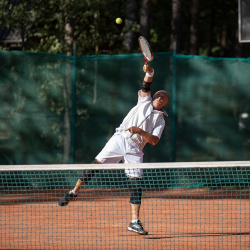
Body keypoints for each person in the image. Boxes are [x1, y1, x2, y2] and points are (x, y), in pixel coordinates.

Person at [58, 64, 169, 235]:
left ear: (165, 103)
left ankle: (134, 222)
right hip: (120, 138)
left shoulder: (161, 120)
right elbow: (146, 84)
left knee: (137, 185)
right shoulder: (144, 100)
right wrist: (149, 72)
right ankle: (74, 192)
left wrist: (140, 131)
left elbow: (154, 140)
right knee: (95, 165)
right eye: (159, 95)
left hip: (136, 149)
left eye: (164, 98)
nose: (161, 97)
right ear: (152, 97)